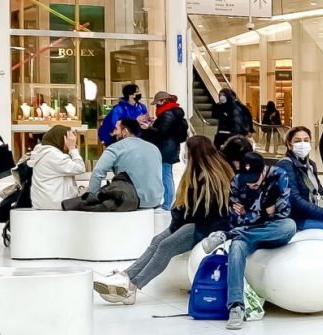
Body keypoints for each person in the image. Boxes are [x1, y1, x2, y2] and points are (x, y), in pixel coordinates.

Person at [94, 136, 234, 305]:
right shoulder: (202, 174)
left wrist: (178, 220)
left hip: (208, 227)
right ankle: (126, 275)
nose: (185, 155)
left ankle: (131, 286)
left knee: (165, 246)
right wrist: (178, 220)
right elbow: (189, 210)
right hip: (195, 222)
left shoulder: (208, 179)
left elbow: (203, 214)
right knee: (157, 240)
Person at [225, 152, 296, 329]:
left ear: (263, 171)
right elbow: (235, 218)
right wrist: (265, 212)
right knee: (236, 247)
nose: (250, 185)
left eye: (254, 181)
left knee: (289, 226)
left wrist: (250, 214)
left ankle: (229, 235)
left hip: (271, 233)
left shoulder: (279, 175)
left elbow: (283, 213)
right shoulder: (237, 181)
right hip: (249, 233)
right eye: (247, 180)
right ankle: (236, 306)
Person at [278, 126, 323, 242]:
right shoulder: (286, 165)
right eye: (297, 141)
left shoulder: (310, 164)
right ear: (289, 144)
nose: (302, 144)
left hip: (310, 213)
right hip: (296, 218)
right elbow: (294, 199)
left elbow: (320, 191)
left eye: (306, 140)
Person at [88, 118, 163, 209]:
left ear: (125, 132)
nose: (113, 133)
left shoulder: (115, 148)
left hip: (130, 200)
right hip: (155, 200)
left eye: (116, 129)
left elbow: (97, 172)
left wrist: (92, 197)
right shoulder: (154, 148)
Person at [140, 91, 188, 210]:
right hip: (170, 148)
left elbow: (161, 133)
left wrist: (148, 128)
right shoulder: (172, 112)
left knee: (166, 175)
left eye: (157, 102)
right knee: (167, 174)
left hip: (165, 149)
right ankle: (168, 201)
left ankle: (168, 203)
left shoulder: (167, 114)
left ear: (163, 101)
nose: (156, 105)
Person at [28, 125, 85, 210]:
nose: (72, 141)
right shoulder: (53, 155)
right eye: (69, 138)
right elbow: (80, 168)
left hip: (43, 203)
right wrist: (72, 148)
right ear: (61, 139)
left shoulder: (44, 152)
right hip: (56, 204)